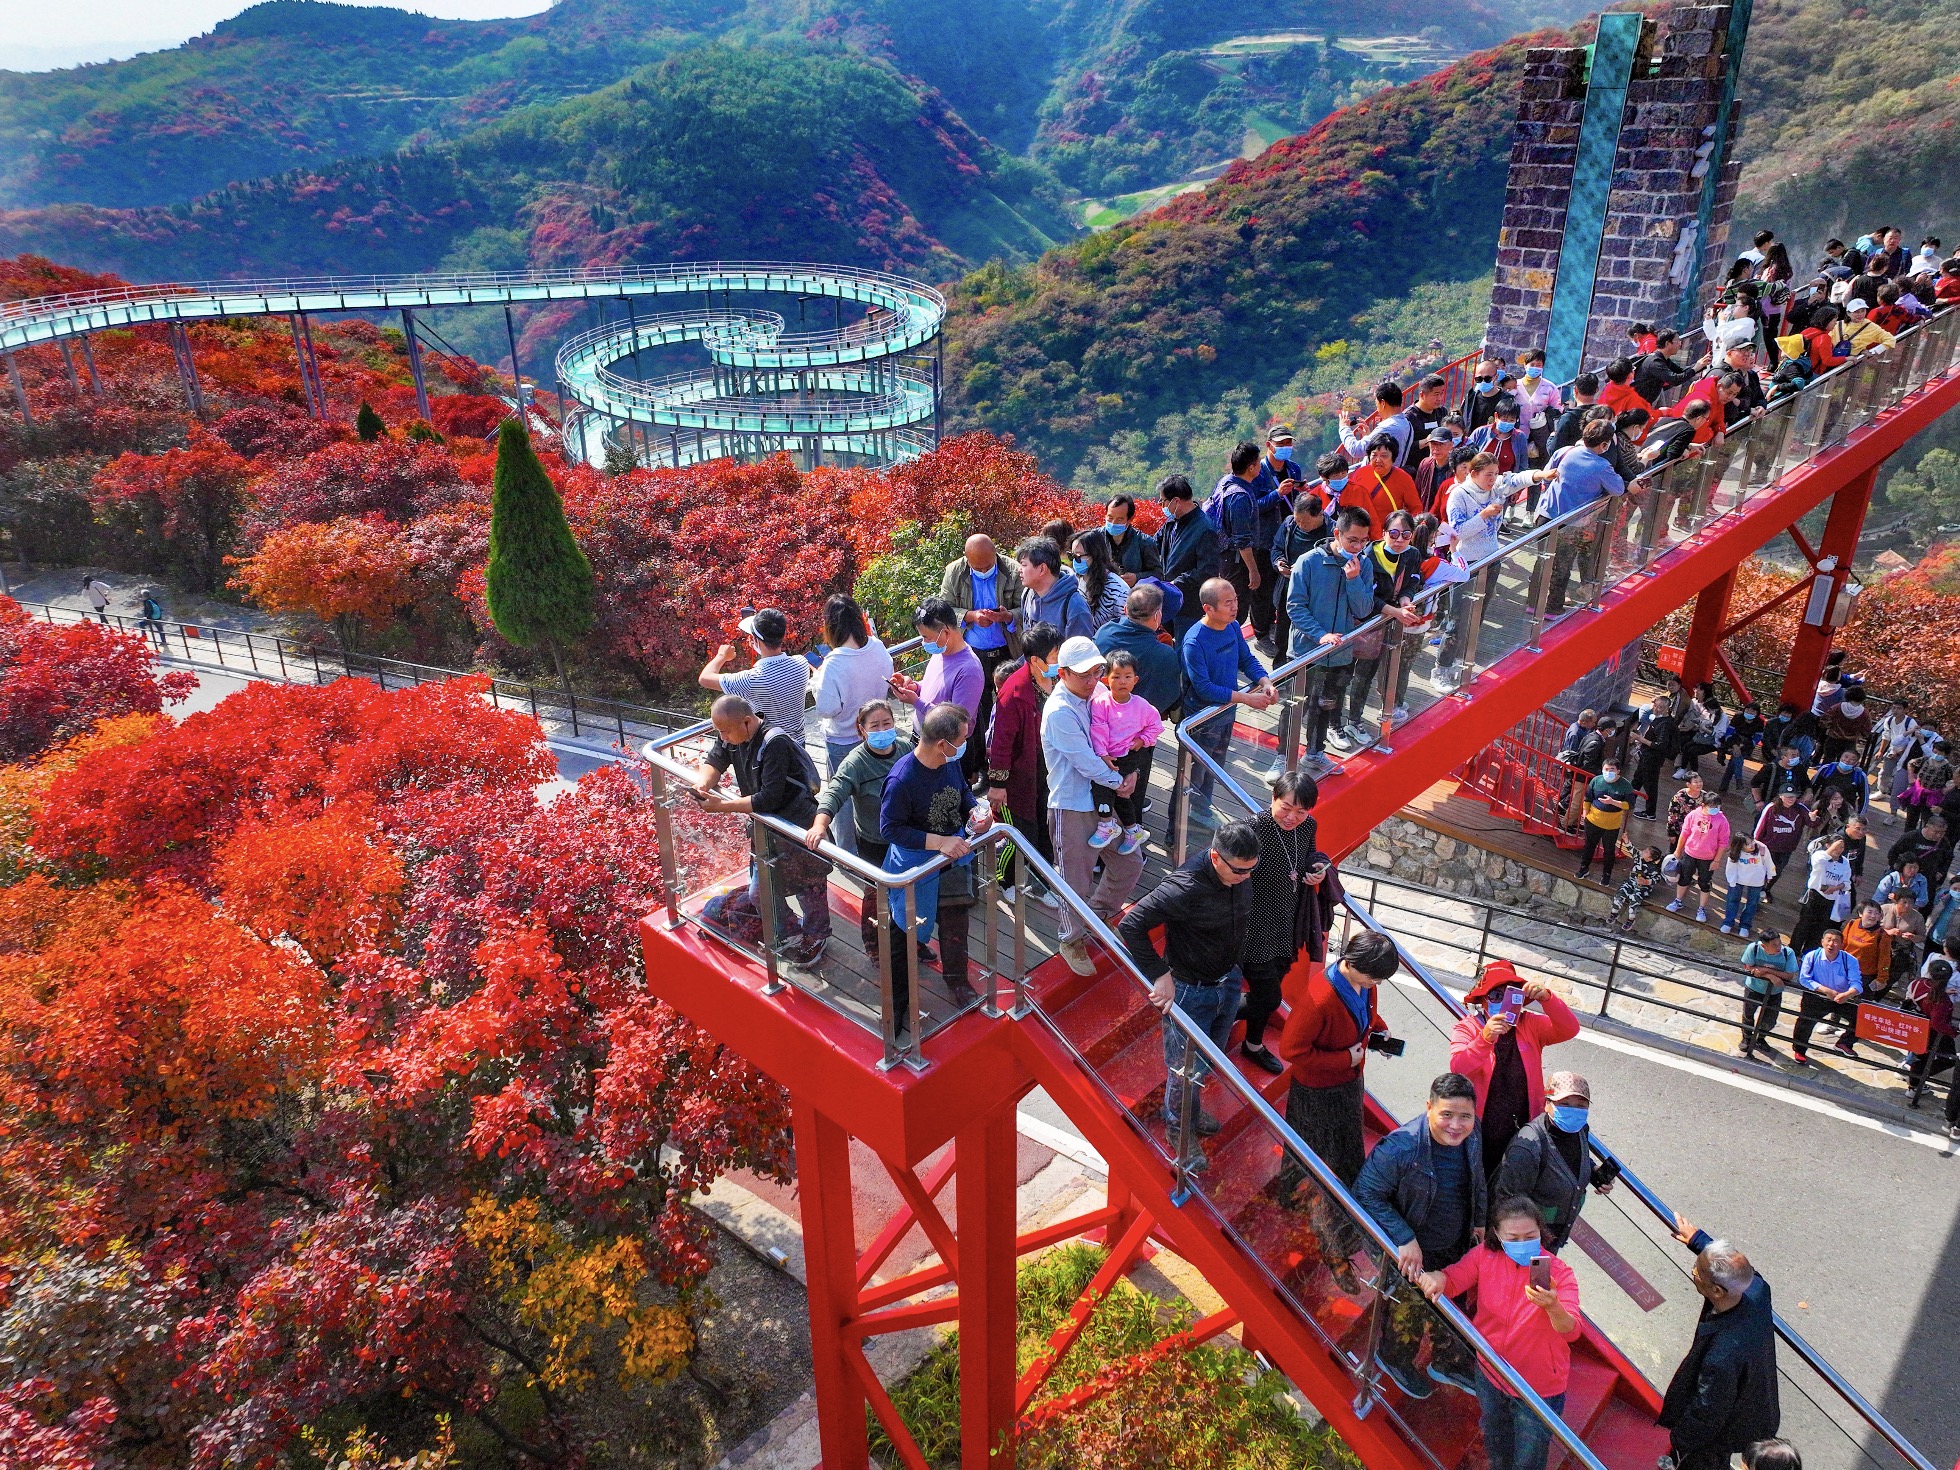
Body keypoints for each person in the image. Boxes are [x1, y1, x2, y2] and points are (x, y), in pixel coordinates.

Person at [1120, 821, 1260, 1152]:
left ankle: (1190, 1114)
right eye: (1239, 871)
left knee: (1208, 1058)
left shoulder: (1238, 872)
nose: (1246, 877)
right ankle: (1179, 1130)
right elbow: (1132, 924)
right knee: (1185, 1070)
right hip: (1189, 990)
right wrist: (1159, 972)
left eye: (1251, 870)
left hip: (1227, 979)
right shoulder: (1185, 887)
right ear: (1215, 857)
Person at [1418, 1195, 1581, 1470]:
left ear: (1541, 1232)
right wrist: (1439, 1278)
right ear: (1497, 1234)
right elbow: (1456, 1278)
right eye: (1513, 1237)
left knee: (1529, 1459)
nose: (1522, 1244)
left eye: (1530, 1236)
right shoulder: (1485, 1256)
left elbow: (1572, 1330)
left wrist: (1553, 1307)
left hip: (1537, 1390)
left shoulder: (1559, 1273)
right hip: (1491, 1373)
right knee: (1495, 1440)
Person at [1354, 1073, 1484, 1401]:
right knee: (1407, 1308)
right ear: (1429, 1108)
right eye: (1446, 1115)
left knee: (1451, 1300)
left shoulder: (1472, 1133)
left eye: (1465, 1116)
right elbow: (1366, 1193)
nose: (1456, 1125)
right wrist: (1403, 1236)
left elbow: (1477, 1177)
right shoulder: (1402, 1147)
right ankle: (1394, 1358)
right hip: (1411, 1249)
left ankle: (1449, 1361)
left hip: (1452, 1240)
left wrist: (1479, 1221)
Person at [690, 694, 832, 967]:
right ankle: (791, 930)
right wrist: (702, 784)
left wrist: (723, 806)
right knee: (760, 891)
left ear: (746, 721)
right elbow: (715, 760)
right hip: (764, 827)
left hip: (795, 823)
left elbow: (770, 798)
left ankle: (817, 934)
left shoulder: (774, 742)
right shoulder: (732, 735)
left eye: (725, 731)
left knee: (810, 885)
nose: (723, 737)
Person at [877, 703, 991, 1017]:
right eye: (962, 739)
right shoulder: (902, 780)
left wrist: (975, 811)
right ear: (942, 744)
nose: (966, 745)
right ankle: (898, 1007)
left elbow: (963, 793)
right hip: (915, 867)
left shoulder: (949, 762)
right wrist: (938, 842)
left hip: (953, 858)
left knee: (956, 924)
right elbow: (890, 828)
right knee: (904, 933)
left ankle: (957, 981)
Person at [1044, 636, 1147, 976]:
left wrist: (1130, 772)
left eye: (1097, 671)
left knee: (1129, 863)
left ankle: (1098, 917)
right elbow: (1086, 762)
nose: (1093, 680)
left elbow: (1129, 727)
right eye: (1084, 674)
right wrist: (1123, 783)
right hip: (1072, 804)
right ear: (1062, 674)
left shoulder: (1098, 694)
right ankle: (1071, 938)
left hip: (1105, 798)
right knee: (1074, 878)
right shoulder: (1059, 711)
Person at [1659, 1218, 1781, 1470]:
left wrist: (1679, 1442)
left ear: (1716, 1291)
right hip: (1752, 1410)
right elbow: (1742, 1269)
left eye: (1696, 1271)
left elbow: (1707, 1412)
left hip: (1723, 1431)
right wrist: (1697, 1241)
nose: (1693, 1272)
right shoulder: (1757, 1290)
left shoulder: (1722, 1356)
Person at [1241, 771, 1337, 1071]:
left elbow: (1308, 855)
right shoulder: (1252, 827)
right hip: (1253, 923)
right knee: (1269, 996)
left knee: (1273, 984)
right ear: (1273, 798)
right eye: (1286, 807)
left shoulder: (1308, 826)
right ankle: (1206, 1013)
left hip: (1288, 921)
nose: (1292, 817)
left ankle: (1252, 1045)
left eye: (1300, 811)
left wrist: (1317, 869)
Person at [1449, 960, 1580, 1174]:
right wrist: (1485, 1038)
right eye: (1495, 995)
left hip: (1524, 1125)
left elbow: (1569, 1029)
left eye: (1510, 994)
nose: (1502, 1001)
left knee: (1516, 1183)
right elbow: (1458, 1067)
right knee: (1478, 1180)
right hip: (1482, 1126)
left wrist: (1548, 999)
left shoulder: (1530, 1023)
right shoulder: (1468, 1028)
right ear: (1483, 1000)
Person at [805, 699, 911, 953]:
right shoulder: (856, 762)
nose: (882, 729)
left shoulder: (906, 748)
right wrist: (820, 824)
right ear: (862, 730)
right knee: (876, 896)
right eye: (875, 725)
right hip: (875, 841)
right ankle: (875, 947)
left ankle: (912, 943)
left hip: (908, 837)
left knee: (909, 893)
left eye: (887, 723)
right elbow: (835, 792)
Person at [1288, 506, 1378, 773]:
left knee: (1327, 703)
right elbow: (1295, 607)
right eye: (1353, 540)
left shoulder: (1364, 564)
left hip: (1341, 652)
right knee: (1295, 706)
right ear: (1337, 534)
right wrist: (1320, 635)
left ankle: (1315, 753)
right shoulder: (1309, 561)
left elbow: (1364, 610)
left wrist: (1353, 580)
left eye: (1364, 541)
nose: (1359, 546)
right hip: (1307, 651)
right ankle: (1283, 757)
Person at [1180, 578, 1277, 819]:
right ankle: (1176, 828)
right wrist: (1245, 698)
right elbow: (1203, 688)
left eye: (1235, 600)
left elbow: (1247, 660)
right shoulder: (1194, 641)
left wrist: (1265, 681)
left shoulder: (1232, 626)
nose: (1235, 606)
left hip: (1226, 713)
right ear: (1208, 609)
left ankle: (1202, 811)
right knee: (1193, 775)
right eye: (1228, 603)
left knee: (1216, 768)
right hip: (1201, 720)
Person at [1492, 1072, 1608, 1253]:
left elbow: (1575, 1157)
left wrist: (1592, 1171)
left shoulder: (1580, 1130)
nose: (1573, 1111)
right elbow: (1507, 1202)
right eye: (1564, 1104)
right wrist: (1521, 1248)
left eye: (1581, 1105)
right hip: (1527, 1246)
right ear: (1547, 1104)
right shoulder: (1528, 1147)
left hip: (1552, 1240)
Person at [984, 621, 1062, 885]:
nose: (1059, 661)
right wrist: (997, 784)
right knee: (1021, 833)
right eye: (1055, 656)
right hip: (1021, 777)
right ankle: (1003, 881)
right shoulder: (1015, 692)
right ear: (1036, 660)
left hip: (1049, 770)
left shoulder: (1058, 679)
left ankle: (1044, 881)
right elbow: (1001, 743)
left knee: (1047, 826)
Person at [940, 534, 1022, 780]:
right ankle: (980, 767)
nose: (985, 570)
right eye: (979, 567)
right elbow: (944, 609)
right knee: (975, 711)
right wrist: (971, 616)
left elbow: (1025, 605)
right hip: (972, 653)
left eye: (989, 566)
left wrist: (1007, 616)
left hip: (1008, 650)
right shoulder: (954, 572)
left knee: (1010, 707)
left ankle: (1010, 761)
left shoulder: (1013, 570)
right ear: (967, 560)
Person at [808, 594, 895, 780]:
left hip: (843, 741)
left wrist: (817, 681)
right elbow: (887, 680)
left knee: (844, 802)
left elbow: (826, 709)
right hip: (875, 736)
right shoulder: (878, 647)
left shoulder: (834, 663)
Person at [1088, 649, 1163, 855]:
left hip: (1128, 757)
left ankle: (1124, 828)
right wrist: (1102, 754)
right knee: (1104, 790)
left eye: (1127, 676)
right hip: (1106, 757)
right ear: (1106, 679)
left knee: (1121, 794)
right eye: (1117, 676)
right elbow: (1098, 728)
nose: (1122, 681)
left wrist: (1142, 740)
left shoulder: (1141, 706)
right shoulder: (1101, 703)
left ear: (1135, 680)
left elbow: (1156, 725)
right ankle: (1115, 826)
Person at [698, 607, 809, 741]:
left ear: (756, 641)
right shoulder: (801, 663)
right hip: (799, 745)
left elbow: (704, 678)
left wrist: (721, 656)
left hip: (770, 748)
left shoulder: (752, 679)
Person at [887, 597, 983, 737]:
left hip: (944, 750)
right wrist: (915, 687)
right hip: (923, 739)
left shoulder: (969, 671)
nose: (924, 643)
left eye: (927, 637)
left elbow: (956, 723)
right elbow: (937, 690)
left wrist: (916, 702)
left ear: (945, 632)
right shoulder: (941, 652)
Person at [1207, 441, 1269, 625]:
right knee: (1236, 611)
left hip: (1225, 557)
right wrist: (1253, 570)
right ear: (1251, 468)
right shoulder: (1240, 496)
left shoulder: (1226, 482)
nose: (1260, 464)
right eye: (1258, 461)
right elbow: (1242, 539)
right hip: (1236, 562)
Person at [1156, 473, 1223, 635]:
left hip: (1189, 606)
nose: (1161, 506)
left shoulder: (1204, 528)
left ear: (1176, 501)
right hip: (1169, 601)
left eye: (1163, 501)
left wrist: (1175, 583)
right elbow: (1153, 545)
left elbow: (1207, 571)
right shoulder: (1172, 522)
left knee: (1185, 650)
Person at [1788, 926, 1862, 1065]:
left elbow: (1857, 984)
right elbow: (1804, 979)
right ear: (1822, 941)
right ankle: (1799, 1049)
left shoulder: (1850, 960)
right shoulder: (1811, 956)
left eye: (1835, 941)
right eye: (1828, 940)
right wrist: (1825, 990)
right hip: (1817, 996)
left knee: (1861, 1021)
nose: (1831, 944)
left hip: (1842, 998)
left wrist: (1847, 994)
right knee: (1805, 1023)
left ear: (1841, 944)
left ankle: (1845, 1043)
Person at [1270, 487, 1330, 656]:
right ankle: (1280, 673)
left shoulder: (1332, 531)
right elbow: (1277, 548)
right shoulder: (1289, 524)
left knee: (1310, 635)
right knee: (1282, 636)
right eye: (1298, 521)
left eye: (1305, 522)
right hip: (1288, 589)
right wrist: (1279, 563)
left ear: (1319, 514)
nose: (1301, 526)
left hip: (1316, 594)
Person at [1669, 790, 1732, 923]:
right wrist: (1678, 851)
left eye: (1717, 806)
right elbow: (1684, 833)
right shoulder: (1693, 815)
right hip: (1690, 853)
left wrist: (1717, 860)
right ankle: (1678, 900)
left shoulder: (1722, 820)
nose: (1715, 809)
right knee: (1684, 878)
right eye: (1712, 806)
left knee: (1704, 882)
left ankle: (1702, 908)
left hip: (1708, 857)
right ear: (1703, 805)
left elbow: (1723, 842)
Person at [1574, 753, 1635, 885]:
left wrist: (1613, 802)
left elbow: (1629, 805)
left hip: (1611, 825)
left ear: (1618, 771)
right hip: (1593, 820)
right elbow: (1588, 798)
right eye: (1606, 769)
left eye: (1611, 770)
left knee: (1608, 851)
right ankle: (1584, 868)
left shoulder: (1625, 785)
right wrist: (1585, 814)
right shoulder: (1596, 780)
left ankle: (1606, 874)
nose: (1608, 772)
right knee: (1589, 846)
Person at [1015, 536, 1091, 640]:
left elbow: (1079, 653)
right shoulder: (1028, 593)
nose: (1019, 569)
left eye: (1024, 565)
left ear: (1042, 569)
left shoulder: (1075, 606)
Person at [1738, 930, 1798, 1059]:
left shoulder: (1788, 953)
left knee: (1769, 1019)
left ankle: (1761, 1039)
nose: (1778, 947)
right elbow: (1748, 966)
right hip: (1754, 988)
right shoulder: (1753, 948)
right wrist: (1770, 976)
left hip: (1774, 992)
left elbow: (1789, 975)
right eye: (1774, 945)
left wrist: (1765, 970)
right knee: (1748, 1014)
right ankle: (1747, 1038)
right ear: (1763, 946)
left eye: (1779, 943)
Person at [1790, 834, 1853, 955]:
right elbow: (1818, 861)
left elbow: (1847, 882)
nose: (1839, 850)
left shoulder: (1845, 862)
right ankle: (1793, 952)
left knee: (1819, 930)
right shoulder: (1819, 855)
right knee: (1803, 925)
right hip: (1814, 896)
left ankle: (1807, 954)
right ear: (1828, 845)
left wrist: (1835, 887)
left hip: (1831, 900)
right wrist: (1831, 850)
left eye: (1842, 847)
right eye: (1837, 847)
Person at [1904, 958, 1955, 1109]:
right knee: (1949, 1058)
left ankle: (1914, 1085)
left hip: (1915, 1026)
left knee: (1920, 1056)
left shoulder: (1917, 983)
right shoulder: (1942, 1000)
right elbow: (1937, 1023)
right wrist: (1953, 1032)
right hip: (1933, 1034)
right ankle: (1917, 1080)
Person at [1343, 434, 1423, 527]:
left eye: (1384, 456)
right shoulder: (1360, 473)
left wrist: (1405, 529)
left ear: (1393, 458)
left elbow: (1416, 508)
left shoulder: (1404, 478)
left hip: (1389, 534)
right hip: (1362, 532)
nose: (1378, 460)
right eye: (1374, 455)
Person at [1067, 527, 1129, 631]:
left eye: (1078, 556)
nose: (1074, 561)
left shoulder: (1118, 591)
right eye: (1071, 556)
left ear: (1094, 556)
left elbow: (1125, 628)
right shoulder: (1074, 581)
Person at [1629, 698, 1678, 819]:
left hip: (1653, 758)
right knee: (1637, 780)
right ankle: (1628, 802)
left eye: (1660, 707)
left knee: (1650, 785)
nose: (1656, 709)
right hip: (1647, 756)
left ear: (1667, 709)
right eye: (1655, 706)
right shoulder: (1659, 720)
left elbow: (1660, 745)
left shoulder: (1665, 724)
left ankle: (1650, 812)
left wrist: (1640, 739)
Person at [1101, 495, 1162, 586]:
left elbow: (1158, 574)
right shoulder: (1095, 538)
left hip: (1133, 596)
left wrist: (1137, 577)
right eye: (1110, 517)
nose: (1113, 523)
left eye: (1120, 519)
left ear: (1130, 520)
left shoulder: (1145, 542)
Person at [1722, 833, 1774, 935]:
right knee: (1732, 900)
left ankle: (1745, 925)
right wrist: (1732, 882)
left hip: (1756, 880)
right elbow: (1730, 869)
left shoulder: (1762, 849)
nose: (1752, 845)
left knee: (1752, 903)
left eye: (1752, 842)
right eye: (1748, 844)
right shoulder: (1734, 853)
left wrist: (1770, 875)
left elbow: (1768, 862)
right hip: (1738, 879)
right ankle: (1728, 922)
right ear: (1740, 846)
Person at [1840, 900, 1893, 1000]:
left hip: (1864, 977)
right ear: (1861, 913)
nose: (1873, 916)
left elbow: (1885, 960)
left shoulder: (1883, 935)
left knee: (1853, 1010)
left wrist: (1882, 978)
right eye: (1870, 912)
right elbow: (1842, 944)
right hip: (1844, 970)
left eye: (1877, 913)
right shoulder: (1852, 924)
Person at [1611, 846, 1666, 932]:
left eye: (1646, 852)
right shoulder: (1639, 856)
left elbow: (1657, 878)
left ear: (1650, 858)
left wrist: (1646, 882)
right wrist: (1626, 840)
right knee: (1621, 891)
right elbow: (1631, 848)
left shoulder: (1654, 868)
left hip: (1643, 886)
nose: (1643, 851)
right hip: (1631, 881)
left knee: (1635, 897)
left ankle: (1631, 919)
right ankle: (1614, 912)